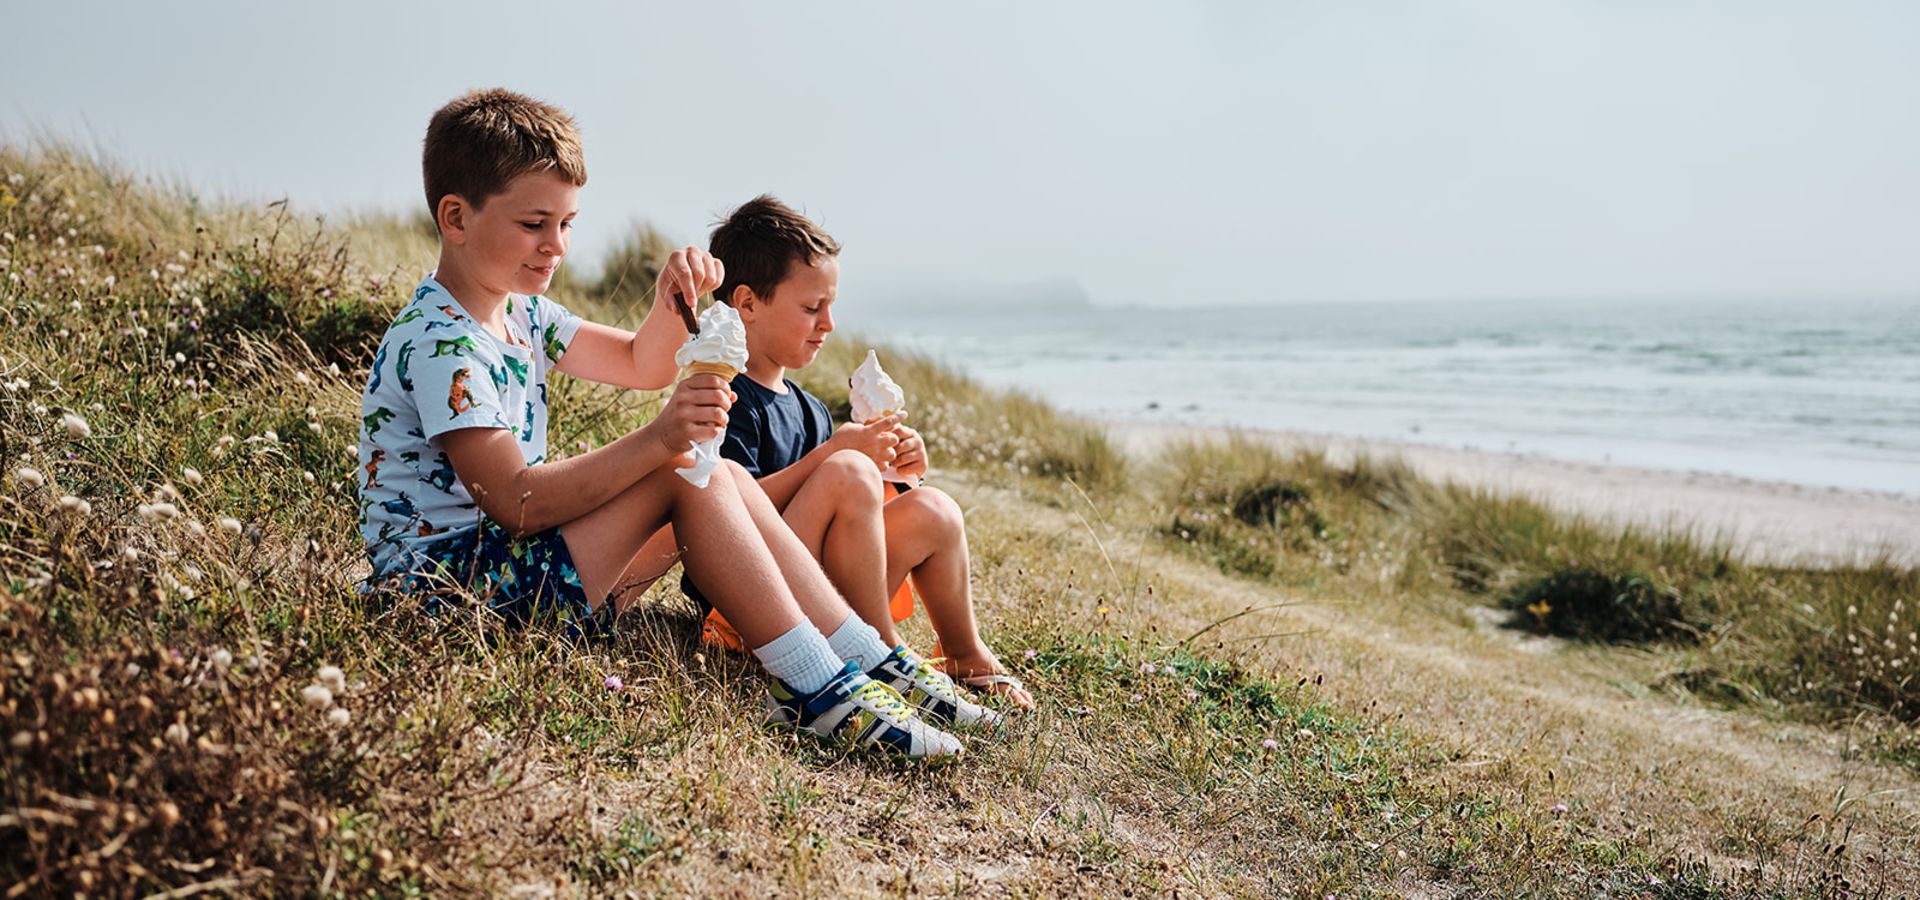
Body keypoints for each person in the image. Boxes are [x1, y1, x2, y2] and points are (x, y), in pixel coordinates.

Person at [354, 88, 965, 757]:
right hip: (449, 601)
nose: (555, 246)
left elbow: (644, 364)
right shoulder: (444, 343)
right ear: (455, 217)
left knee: (718, 469)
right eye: (534, 223)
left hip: (505, 574)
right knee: (684, 469)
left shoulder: (520, 314)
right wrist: (660, 440)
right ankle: (820, 689)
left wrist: (676, 299)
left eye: (567, 224)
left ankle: (865, 656)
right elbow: (517, 502)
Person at [652, 195, 1033, 711]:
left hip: (823, 591)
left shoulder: (809, 409)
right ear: (747, 304)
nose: (828, 323)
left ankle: (965, 653)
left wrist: (896, 475)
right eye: (812, 308)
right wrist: (837, 456)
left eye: (830, 306)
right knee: (847, 468)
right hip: (748, 602)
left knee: (934, 509)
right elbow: (722, 505)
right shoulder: (725, 395)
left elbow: (844, 516)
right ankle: (886, 656)